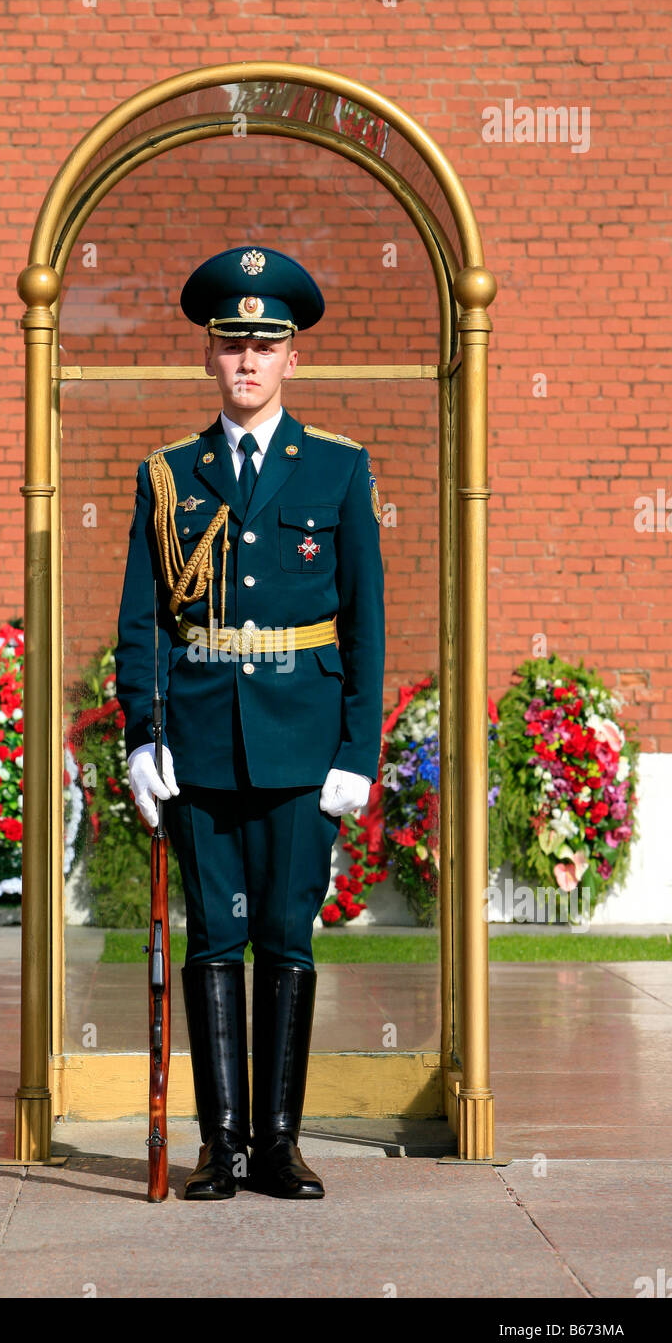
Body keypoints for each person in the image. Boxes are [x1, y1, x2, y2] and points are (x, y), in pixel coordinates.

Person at [114, 245, 385, 1200]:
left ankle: (279, 1144)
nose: (248, 361)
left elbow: (365, 623)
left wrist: (357, 752)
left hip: (303, 748)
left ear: (293, 359)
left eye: (266, 345)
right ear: (208, 357)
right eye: (232, 344)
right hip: (198, 746)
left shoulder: (341, 471)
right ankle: (218, 1145)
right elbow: (143, 622)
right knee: (211, 939)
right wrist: (143, 740)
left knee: (286, 935)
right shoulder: (168, 477)